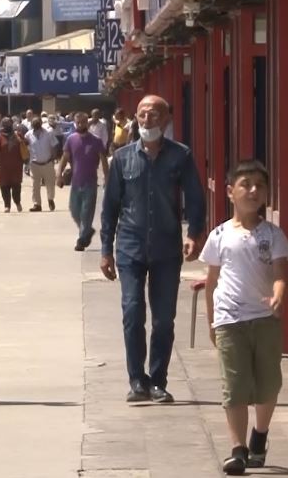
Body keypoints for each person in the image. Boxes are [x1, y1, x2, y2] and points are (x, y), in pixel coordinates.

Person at [100, 95, 205, 404]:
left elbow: (196, 199)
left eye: (155, 115)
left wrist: (194, 234)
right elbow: (110, 207)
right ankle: (136, 380)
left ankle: (158, 380)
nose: (148, 121)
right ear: (136, 118)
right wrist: (106, 249)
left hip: (166, 248)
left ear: (167, 119)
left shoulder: (180, 157)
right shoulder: (121, 159)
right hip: (130, 246)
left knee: (163, 319)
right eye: (143, 116)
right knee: (132, 312)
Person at [200, 160, 288, 475]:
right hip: (230, 319)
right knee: (234, 386)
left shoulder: (273, 234)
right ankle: (237, 450)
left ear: (266, 194)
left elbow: (281, 273)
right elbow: (212, 281)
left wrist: (279, 295)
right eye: (246, 184)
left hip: (265, 319)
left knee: (268, 385)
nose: (253, 191)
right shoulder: (219, 235)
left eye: (259, 186)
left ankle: (260, 435)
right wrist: (212, 321)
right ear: (230, 192)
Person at [57, 112, 109, 250]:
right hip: (76, 182)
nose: (80, 125)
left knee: (86, 212)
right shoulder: (71, 139)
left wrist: (107, 178)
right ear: (75, 123)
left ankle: (81, 240)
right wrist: (59, 175)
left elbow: (104, 161)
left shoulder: (96, 141)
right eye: (78, 123)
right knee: (74, 210)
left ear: (88, 122)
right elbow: (65, 158)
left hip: (91, 183)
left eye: (83, 122)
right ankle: (87, 231)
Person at [24, 117, 60, 212]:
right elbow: (25, 148)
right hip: (34, 164)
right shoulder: (28, 135)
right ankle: (37, 204)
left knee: (50, 184)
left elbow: (54, 145)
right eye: (34, 123)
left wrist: (53, 157)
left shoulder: (49, 133)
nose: (36, 124)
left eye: (37, 122)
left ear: (41, 123)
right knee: (35, 185)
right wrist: (27, 163)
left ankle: (50, 199)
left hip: (47, 162)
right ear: (32, 124)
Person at [0, 117, 26, 213]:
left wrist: (21, 141)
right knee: (4, 186)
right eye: (5, 124)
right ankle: (7, 206)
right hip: (3, 167)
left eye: (8, 124)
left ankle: (17, 202)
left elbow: (25, 146)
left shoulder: (18, 135)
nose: (6, 126)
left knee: (16, 186)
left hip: (16, 166)